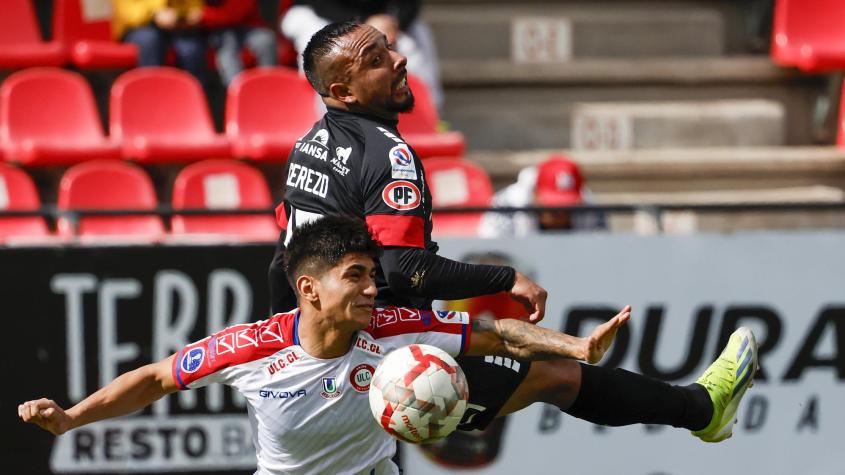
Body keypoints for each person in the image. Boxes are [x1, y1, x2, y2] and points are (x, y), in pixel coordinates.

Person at [267, 21, 757, 448]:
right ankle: (703, 410)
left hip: (322, 349)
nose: (399, 60)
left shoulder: (308, 145)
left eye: (389, 48)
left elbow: (282, 261)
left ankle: (700, 409)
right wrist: (504, 278)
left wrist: (296, 349)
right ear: (344, 91)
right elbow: (406, 269)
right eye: (376, 60)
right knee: (556, 375)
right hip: (379, 349)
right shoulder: (387, 154)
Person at [21, 217, 758, 474]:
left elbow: (493, 328)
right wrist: (72, 417)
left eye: (374, 276)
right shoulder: (252, 347)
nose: (374, 290)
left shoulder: (396, 330)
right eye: (356, 278)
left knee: (554, 376)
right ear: (307, 289)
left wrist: (576, 342)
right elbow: (154, 376)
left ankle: (699, 407)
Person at [279, 0, 444, 110]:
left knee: (418, 34)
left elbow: (409, 3)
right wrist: (364, 22)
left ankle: (429, 118)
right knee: (321, 38)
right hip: (318, 13)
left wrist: (394, 20)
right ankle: (325, 123)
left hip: (381, 19)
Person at [479, 155, 607, 238]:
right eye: (553, 206)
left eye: (568, 206)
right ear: (536, 192)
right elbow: (491, 254)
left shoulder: (590, 207)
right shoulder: (506, 205)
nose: (560, 213)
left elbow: (601, 254)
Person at [112, 0, 208, 83]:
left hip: (177, 26)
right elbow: (128, 13)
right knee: (149, 41)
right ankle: (151, 94)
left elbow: (193, 5)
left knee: (190, 48)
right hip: (140, 26)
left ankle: (193, 98)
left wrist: (190, 13)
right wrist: (154, 13)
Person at [201, 0, 278, 86]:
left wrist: (203, 15)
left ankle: (269, 86)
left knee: (266, 39)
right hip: (217, 31)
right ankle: (237, 91)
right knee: (226, 47)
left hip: (245, 25)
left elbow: (235, 13)